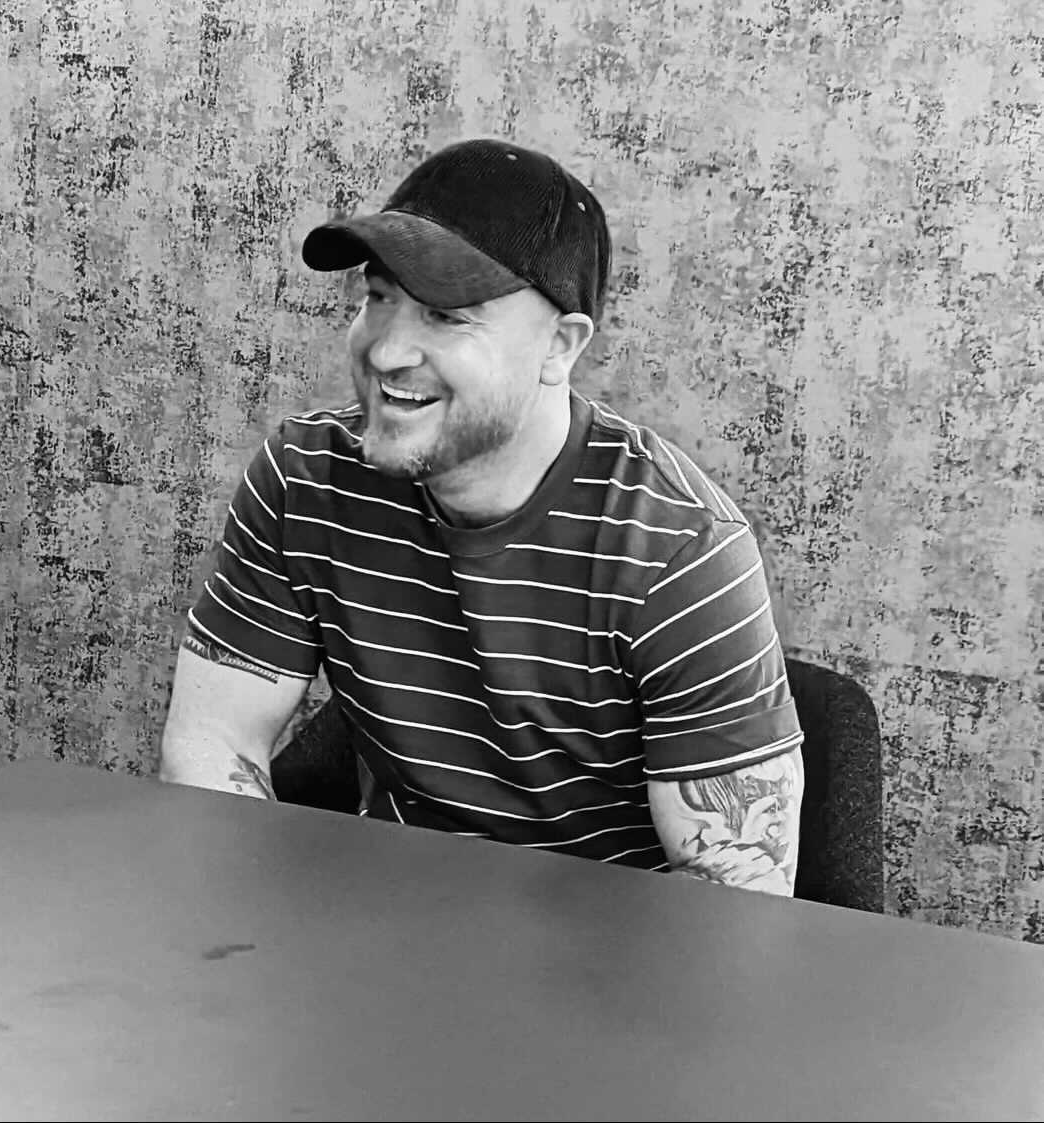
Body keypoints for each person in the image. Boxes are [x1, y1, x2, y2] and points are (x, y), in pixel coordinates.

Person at [159, 137, 805, 895]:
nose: (389, 352)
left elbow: (735, 905)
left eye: (445, 315)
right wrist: (252, 937)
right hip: (382, 926)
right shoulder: (307, 480)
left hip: (608, 953)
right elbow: (213, 739)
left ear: (559, 346)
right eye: (379, 298)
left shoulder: (677, 552)